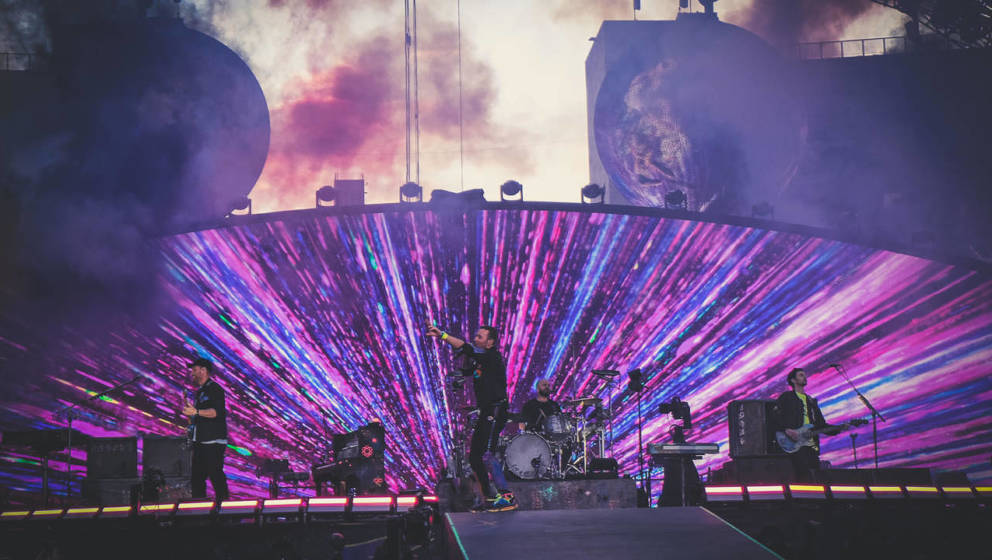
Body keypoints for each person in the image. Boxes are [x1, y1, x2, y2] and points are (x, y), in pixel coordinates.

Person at [427, 324, 517, 512]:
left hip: (496, 410)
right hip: (486, 411)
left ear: (490, 343)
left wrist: (443, 335)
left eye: (480, 337)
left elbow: (466, 348)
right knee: (475, 457)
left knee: (487, 454)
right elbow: (470, 368)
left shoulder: (492, 357)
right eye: (476, 336)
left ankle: (507, 496)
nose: (476, 339)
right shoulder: (480, 361)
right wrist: (457, 375)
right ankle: (490, 497)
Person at [772, 368, 836, 482]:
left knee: (816, 475)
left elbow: (821, 424)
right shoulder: (787, 397)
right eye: (801, 375)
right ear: (793, 380)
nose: (805, 377)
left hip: (811, 443)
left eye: (804, 375)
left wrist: (838, 429)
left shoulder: (811, 401)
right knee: (802, 475)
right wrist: (786, 430)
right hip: (795, 443)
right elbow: (775, 416)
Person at [182, 357, 230, 501]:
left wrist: (196, 412)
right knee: (197, 478)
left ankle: (224, 507)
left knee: (215, 475)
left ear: (203, 371)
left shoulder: (215, 389)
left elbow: (216, 412)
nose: (192, 373)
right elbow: (200, 415)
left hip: (213, 441)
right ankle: (199, 507)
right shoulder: (200, 391)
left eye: (194, 370)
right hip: (201, 441)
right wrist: (191, 423)